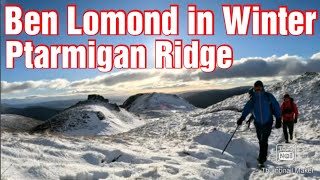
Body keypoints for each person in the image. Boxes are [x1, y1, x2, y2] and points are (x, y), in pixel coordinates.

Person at [237, 80, 282, 165]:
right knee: (260, 139)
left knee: (264, 139)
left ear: (262, 87)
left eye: (259, 86)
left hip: (268, 121)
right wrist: (242, 118)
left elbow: (276, 106)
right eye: (256, 87)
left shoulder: (268, 96)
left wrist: (278, 118)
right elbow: (247, 108)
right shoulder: (253, 98)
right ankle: (262, 155)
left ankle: (262, 158)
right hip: (257, 123)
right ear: (254, 88)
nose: (258, 88)